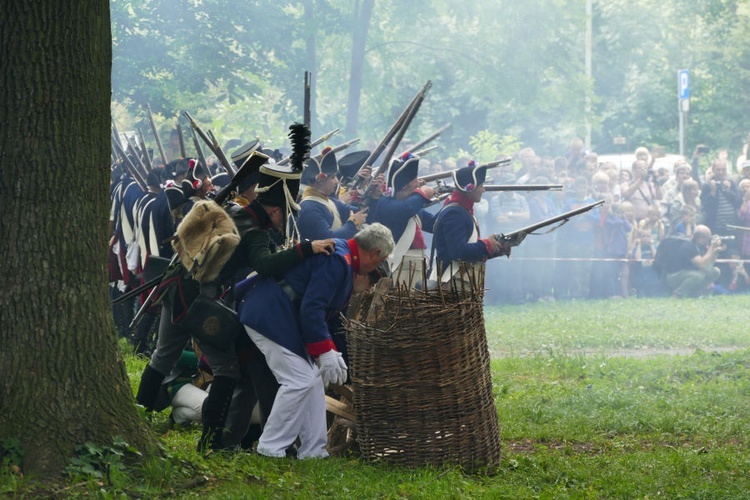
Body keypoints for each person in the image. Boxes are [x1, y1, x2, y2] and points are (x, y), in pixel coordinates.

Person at [238, 223, 394, 459]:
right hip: (269, 315)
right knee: (299, 380)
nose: (370, 276)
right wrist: (325, 351)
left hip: (279, 316)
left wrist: (332, 350)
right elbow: (313, 308)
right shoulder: (339, 260)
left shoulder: (343, 258)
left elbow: (324, 316)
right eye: (377, 263)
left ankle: (313, 450)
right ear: (375, 254)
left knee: (312, 382)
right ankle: (269, 447)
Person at [431, 162, 513, 285]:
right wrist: (486, 244)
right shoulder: (455, 213)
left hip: (461, 278)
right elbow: (459, 252)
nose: (483, 189)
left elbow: (470, 249)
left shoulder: (462, 210)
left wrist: (494, 248)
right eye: (481, 186)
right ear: (470, 189)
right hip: (453, 281)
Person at [372, 152, 437, 285]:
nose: (418, 183)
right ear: (405, 186)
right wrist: (421, 195)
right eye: (415, 180)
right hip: (396, 267)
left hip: (417, 266)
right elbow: (403, 211)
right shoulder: (385, 203)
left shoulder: (415, 207)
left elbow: (435, 224)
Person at [297, 150, 368, 241]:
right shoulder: (308, 207)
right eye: (332, 177)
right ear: (320, 181)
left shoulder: (330, 201)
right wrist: (353, 224)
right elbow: (328, 239)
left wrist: (371, 190)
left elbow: (362, 211)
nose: (336, 181)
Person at [656, 225, 722, 298]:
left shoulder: (701, 245)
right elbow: (702, 265)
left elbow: (708, 265)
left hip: (688, 273)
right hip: (674, 276)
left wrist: (714, 251)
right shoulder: (688, 246)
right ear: (700, 238)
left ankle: (698, 293)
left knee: (715, 271)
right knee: (697, 276)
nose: (708, 241)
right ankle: (677, 294)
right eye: (707, 238)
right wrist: (711, 247)